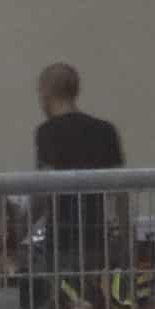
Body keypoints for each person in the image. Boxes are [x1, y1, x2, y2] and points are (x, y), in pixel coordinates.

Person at [33, 62, 124, 279]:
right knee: (96, 295)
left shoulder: (46, 132)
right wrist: (125, 238)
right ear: (76, 89)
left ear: (45, 93)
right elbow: (120, 191)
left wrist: (23, 226)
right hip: (96, 238)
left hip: (61, 239)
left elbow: (43, 189)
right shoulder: (105, 131)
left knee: (61, 295)